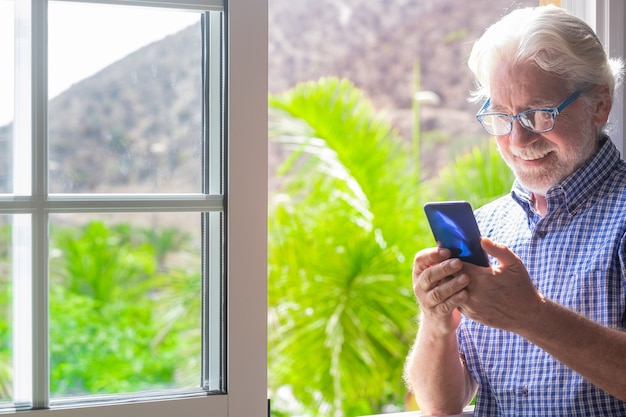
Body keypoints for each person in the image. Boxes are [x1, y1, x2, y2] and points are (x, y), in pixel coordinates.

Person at [403, 5, 626, 416]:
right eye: (501, 117)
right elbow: (442, 405)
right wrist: (437, 324)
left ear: (600, 104)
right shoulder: (487, 226)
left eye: (539, 113)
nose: (518, 139)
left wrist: (532, 316)